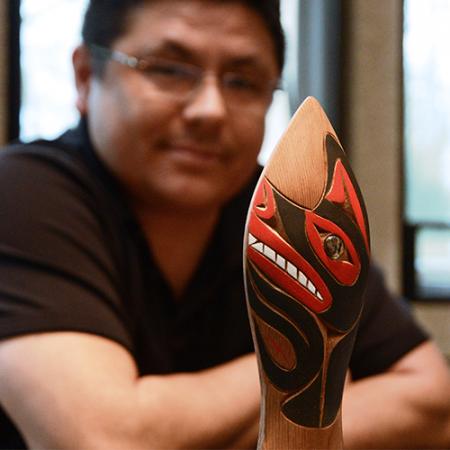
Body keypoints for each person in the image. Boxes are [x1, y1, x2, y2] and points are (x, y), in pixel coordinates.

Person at [0, 1, 449, 448]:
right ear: (84, 76)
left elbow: (433, 404)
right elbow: (100, 439)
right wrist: (314, 381)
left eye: (243, 81)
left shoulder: (287, 209)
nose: (211, 110)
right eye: (169, 69)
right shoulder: (23, 194)